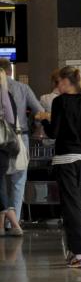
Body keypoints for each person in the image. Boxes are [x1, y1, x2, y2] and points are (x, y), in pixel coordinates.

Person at [39, 66, 81, 267]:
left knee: (70, 207)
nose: (57, 86)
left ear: (66, 81)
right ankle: (74, 252)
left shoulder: (59, 102)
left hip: (64, 158)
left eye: (58, 82)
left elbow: (54, 133)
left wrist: (44, 120)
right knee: (76, 205)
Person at [0, 58, 43, 224]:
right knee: (18, 182)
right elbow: (39, 110)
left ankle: (2, 221)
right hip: (19, 137)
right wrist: (38, 127)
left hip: (1, 138)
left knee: (1, 180)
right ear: (10, 70)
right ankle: (14, 222)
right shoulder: (23, 88)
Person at [0, 69, 22, 237]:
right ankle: (5, 226)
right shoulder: (8, 95)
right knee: (1, 184)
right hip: (5, 146)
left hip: (1, 145)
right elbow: (12, 120)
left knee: (1, 186)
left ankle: (14, 224)